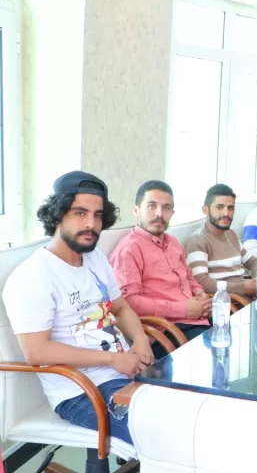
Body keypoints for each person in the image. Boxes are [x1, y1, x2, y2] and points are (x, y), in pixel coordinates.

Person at [3, 171, 153, 445]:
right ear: (58, 214)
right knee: (161, 433)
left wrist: (140, 339)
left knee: (189, 412)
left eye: (97, 216)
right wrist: (113, 360)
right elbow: (36, 352)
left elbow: (120, 308)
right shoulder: (33, 275)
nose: (91, 224)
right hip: (81, 391)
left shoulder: (94, 258)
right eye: (80, 213)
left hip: (125, 372)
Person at [110, 180, 211, 357]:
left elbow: (187, 277)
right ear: (136, 210)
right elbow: (129, 302)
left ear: (172, 212)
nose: (159, 213)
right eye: (151, 206)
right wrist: (183, 309)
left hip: (196, 320)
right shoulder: (129, 250)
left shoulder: (173, 242)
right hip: (166, 332)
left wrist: (200, 294)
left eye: (166, 208)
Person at [184, 184, 257, 297]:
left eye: (230, 208)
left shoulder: (231, 234)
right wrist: (243, 287)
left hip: (247, 300)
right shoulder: (197, 240)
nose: (226, 213)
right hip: (226, 306)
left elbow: (253, 262)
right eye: (220, 207)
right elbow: (201, 282)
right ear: (205, 210)